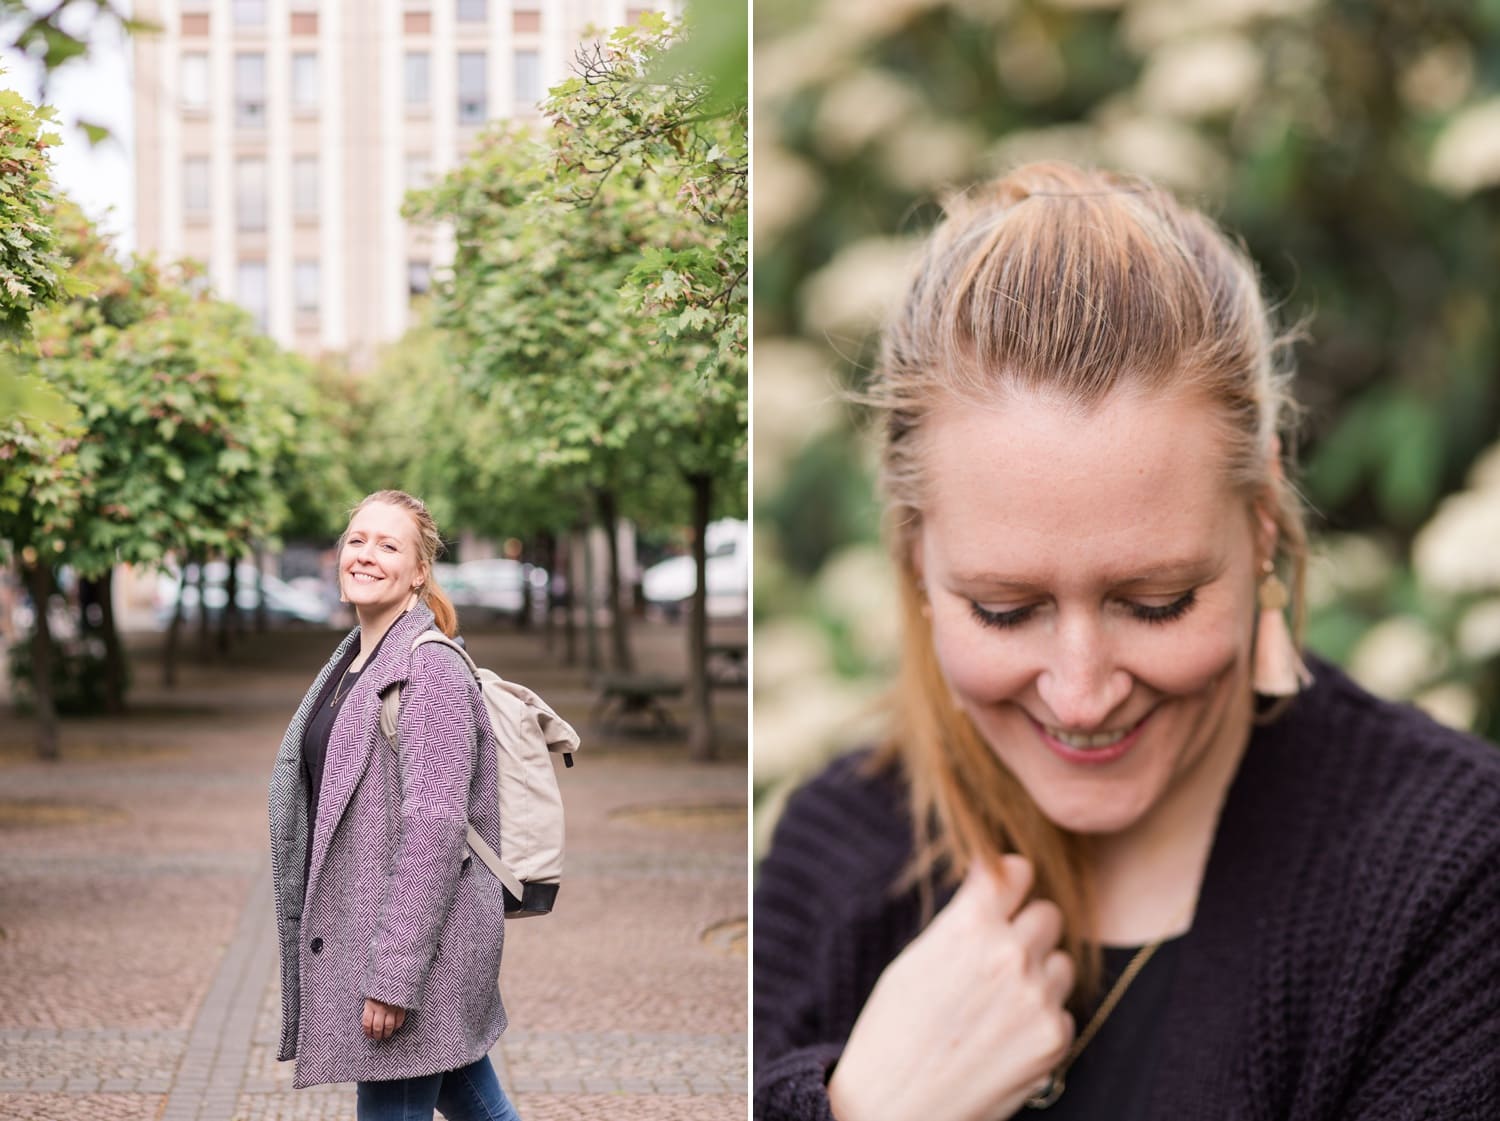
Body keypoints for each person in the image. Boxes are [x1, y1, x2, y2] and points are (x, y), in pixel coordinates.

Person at [753, 163, 1500, 1120]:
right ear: (913, 557)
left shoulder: (1451, 875)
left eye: (1156, 602)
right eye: (1004, 609)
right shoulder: (837, 851)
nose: (1081, 693)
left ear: (1263, 520)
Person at [268, 489, 522, 1120]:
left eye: (389, 545)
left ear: (418, 571)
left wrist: (395, 978)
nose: (366, 555)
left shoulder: (427, 668)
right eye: (357, 540)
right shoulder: (353, 661)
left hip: (410, 953)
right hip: (380, 935)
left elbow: (433, 831)